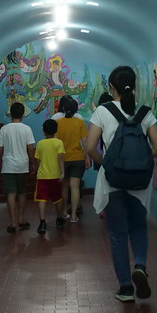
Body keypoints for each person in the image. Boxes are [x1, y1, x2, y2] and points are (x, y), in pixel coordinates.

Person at [85, 66, 157, 302]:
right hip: (139, 182)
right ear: (135, 86)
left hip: (113, 182)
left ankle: (126, 288)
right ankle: (139, 265)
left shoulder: (102, 111)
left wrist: (107, 163)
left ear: (111, 87)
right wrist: (141, 161)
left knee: (117, 234)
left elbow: (90, 147)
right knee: (138, 227)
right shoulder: (145, 112)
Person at [0, 102, 35, 233]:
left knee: (11, 194)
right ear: (23, 114)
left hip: (8, 166)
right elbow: (30, 148)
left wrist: (0, 161)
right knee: (22, 193)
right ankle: (21, 219)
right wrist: (32, 163)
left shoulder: (4, 129)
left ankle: (12, 223)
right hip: (22, 165)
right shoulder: (27, 129)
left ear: (10, 114)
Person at [56, 96, 88, 225]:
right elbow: (84, 141)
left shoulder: (58, 123)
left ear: (63, 108)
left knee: (64, 187)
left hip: (63, 159)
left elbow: (56, 142)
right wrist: (87, 156)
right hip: (78, 158)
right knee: (75, 187)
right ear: (76, 110)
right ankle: (74, 215)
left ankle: (64, 212)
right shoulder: (80, 123)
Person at [33, 119, 65, 235]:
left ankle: (42, 222)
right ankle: (59, 219)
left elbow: (37, 160)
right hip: (55, 175)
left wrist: (38, 170)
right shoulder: (59, 142)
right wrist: (62, 172)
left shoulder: (40, 143)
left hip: (42, 176)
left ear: (44, 131)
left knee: (42, 199)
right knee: (58, 198)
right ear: (56, 130)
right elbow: (60, 158)